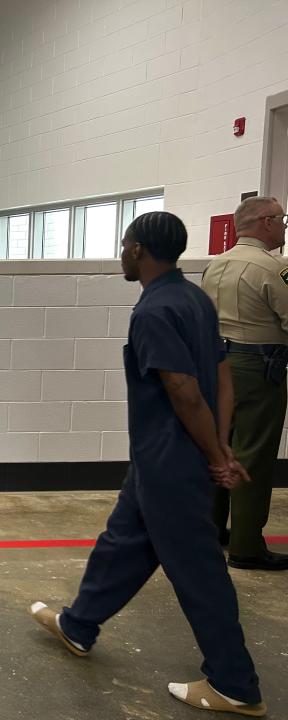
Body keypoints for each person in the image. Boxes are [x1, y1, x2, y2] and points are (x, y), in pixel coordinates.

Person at [30, 212, 266, 717]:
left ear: (138, 251)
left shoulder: (154, 312)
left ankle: (234, 683)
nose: (121, 253)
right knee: (123, 543)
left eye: (124, 244)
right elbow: (223, 378)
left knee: (198, 570)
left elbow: (183, 391)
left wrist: (212, 456)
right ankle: (79, 624)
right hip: (161, 460)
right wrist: (222, 446)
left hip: (170, 461)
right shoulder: (195, 299)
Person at [202, 196, 288, 571]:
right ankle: (247, 546)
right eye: (282, 219)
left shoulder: (215, 265)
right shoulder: (273, 268)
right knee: (253, 453)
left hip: (217, 364)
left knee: (221, 447)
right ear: (266, 223)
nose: (284, 226)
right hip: (259, 368)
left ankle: (212, 530)